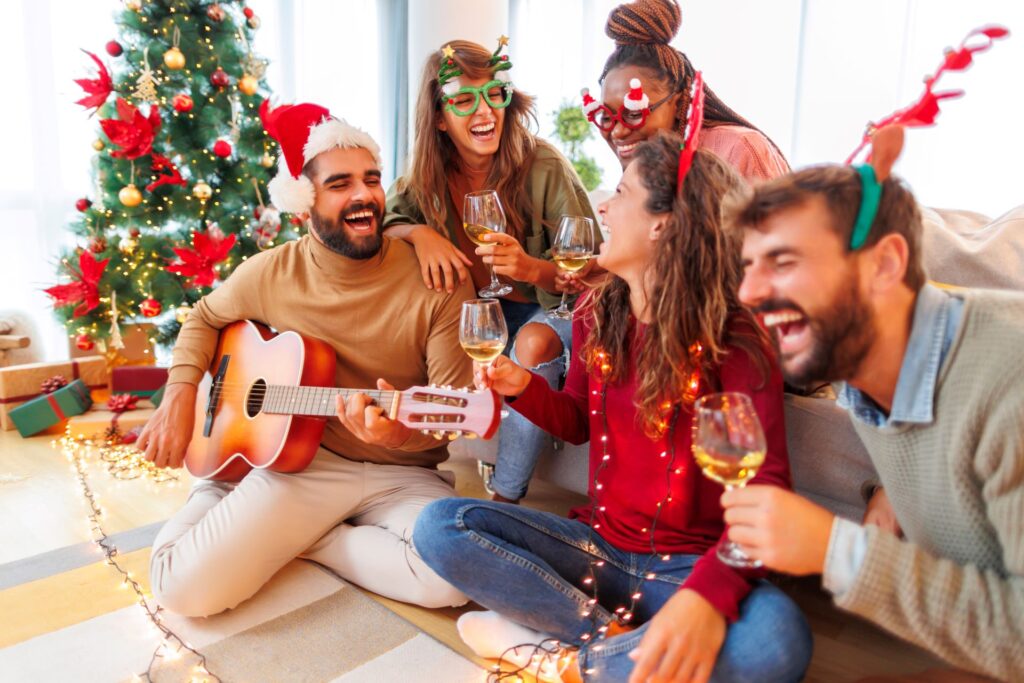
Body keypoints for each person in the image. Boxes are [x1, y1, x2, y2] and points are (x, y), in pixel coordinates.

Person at [414, 130, 812, 683]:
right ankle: (630, 652)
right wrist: (520, 388)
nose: (602, 203)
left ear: (663, 224)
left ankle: (565, 660)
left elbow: (763, 497)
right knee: (440, 525)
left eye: (621, 193)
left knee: (778, 640)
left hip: (687, 568)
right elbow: (576, 423)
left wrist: (704, 602)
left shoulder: (733, 339)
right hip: (598, 551)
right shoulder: (597, 311)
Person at [138, 101, 474, 617]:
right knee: (181, 590)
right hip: (306, 464)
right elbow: (203, 318)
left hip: (404, 474)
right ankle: (220, 485)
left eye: (372, 179)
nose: (364, 196)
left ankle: (311, 540)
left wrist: (397, 434)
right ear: (304, 199)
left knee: (455, 580)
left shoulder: (438, 280)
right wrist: (180, 395)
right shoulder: (271, 271)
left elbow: (448, 418)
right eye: (340, 184)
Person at [724, 134, 1024, 680]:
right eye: (748, 265)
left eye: (782, 261)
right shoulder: (865, 365)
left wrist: (837, 550)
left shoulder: (1012, 385)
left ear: (885, 264)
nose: (747, 292)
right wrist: (896, 487)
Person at [385, 38, 599, 504]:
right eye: (463, 100)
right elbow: (385, 220)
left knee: (533, 341)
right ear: (440, 118)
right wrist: (421, 236)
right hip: (485, 317)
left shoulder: (544, 165)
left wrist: (531, 268)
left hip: (553, 315)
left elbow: (591, 275)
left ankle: (505, 500)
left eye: (493, 94)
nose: (484, 111)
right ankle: (400, 470)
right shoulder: (426, 177)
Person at [587, 0, 789, 183]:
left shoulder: (738, 149)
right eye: (606, 117)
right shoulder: (648, 168)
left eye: (634, 113)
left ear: (677, 103)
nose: (618, 131)